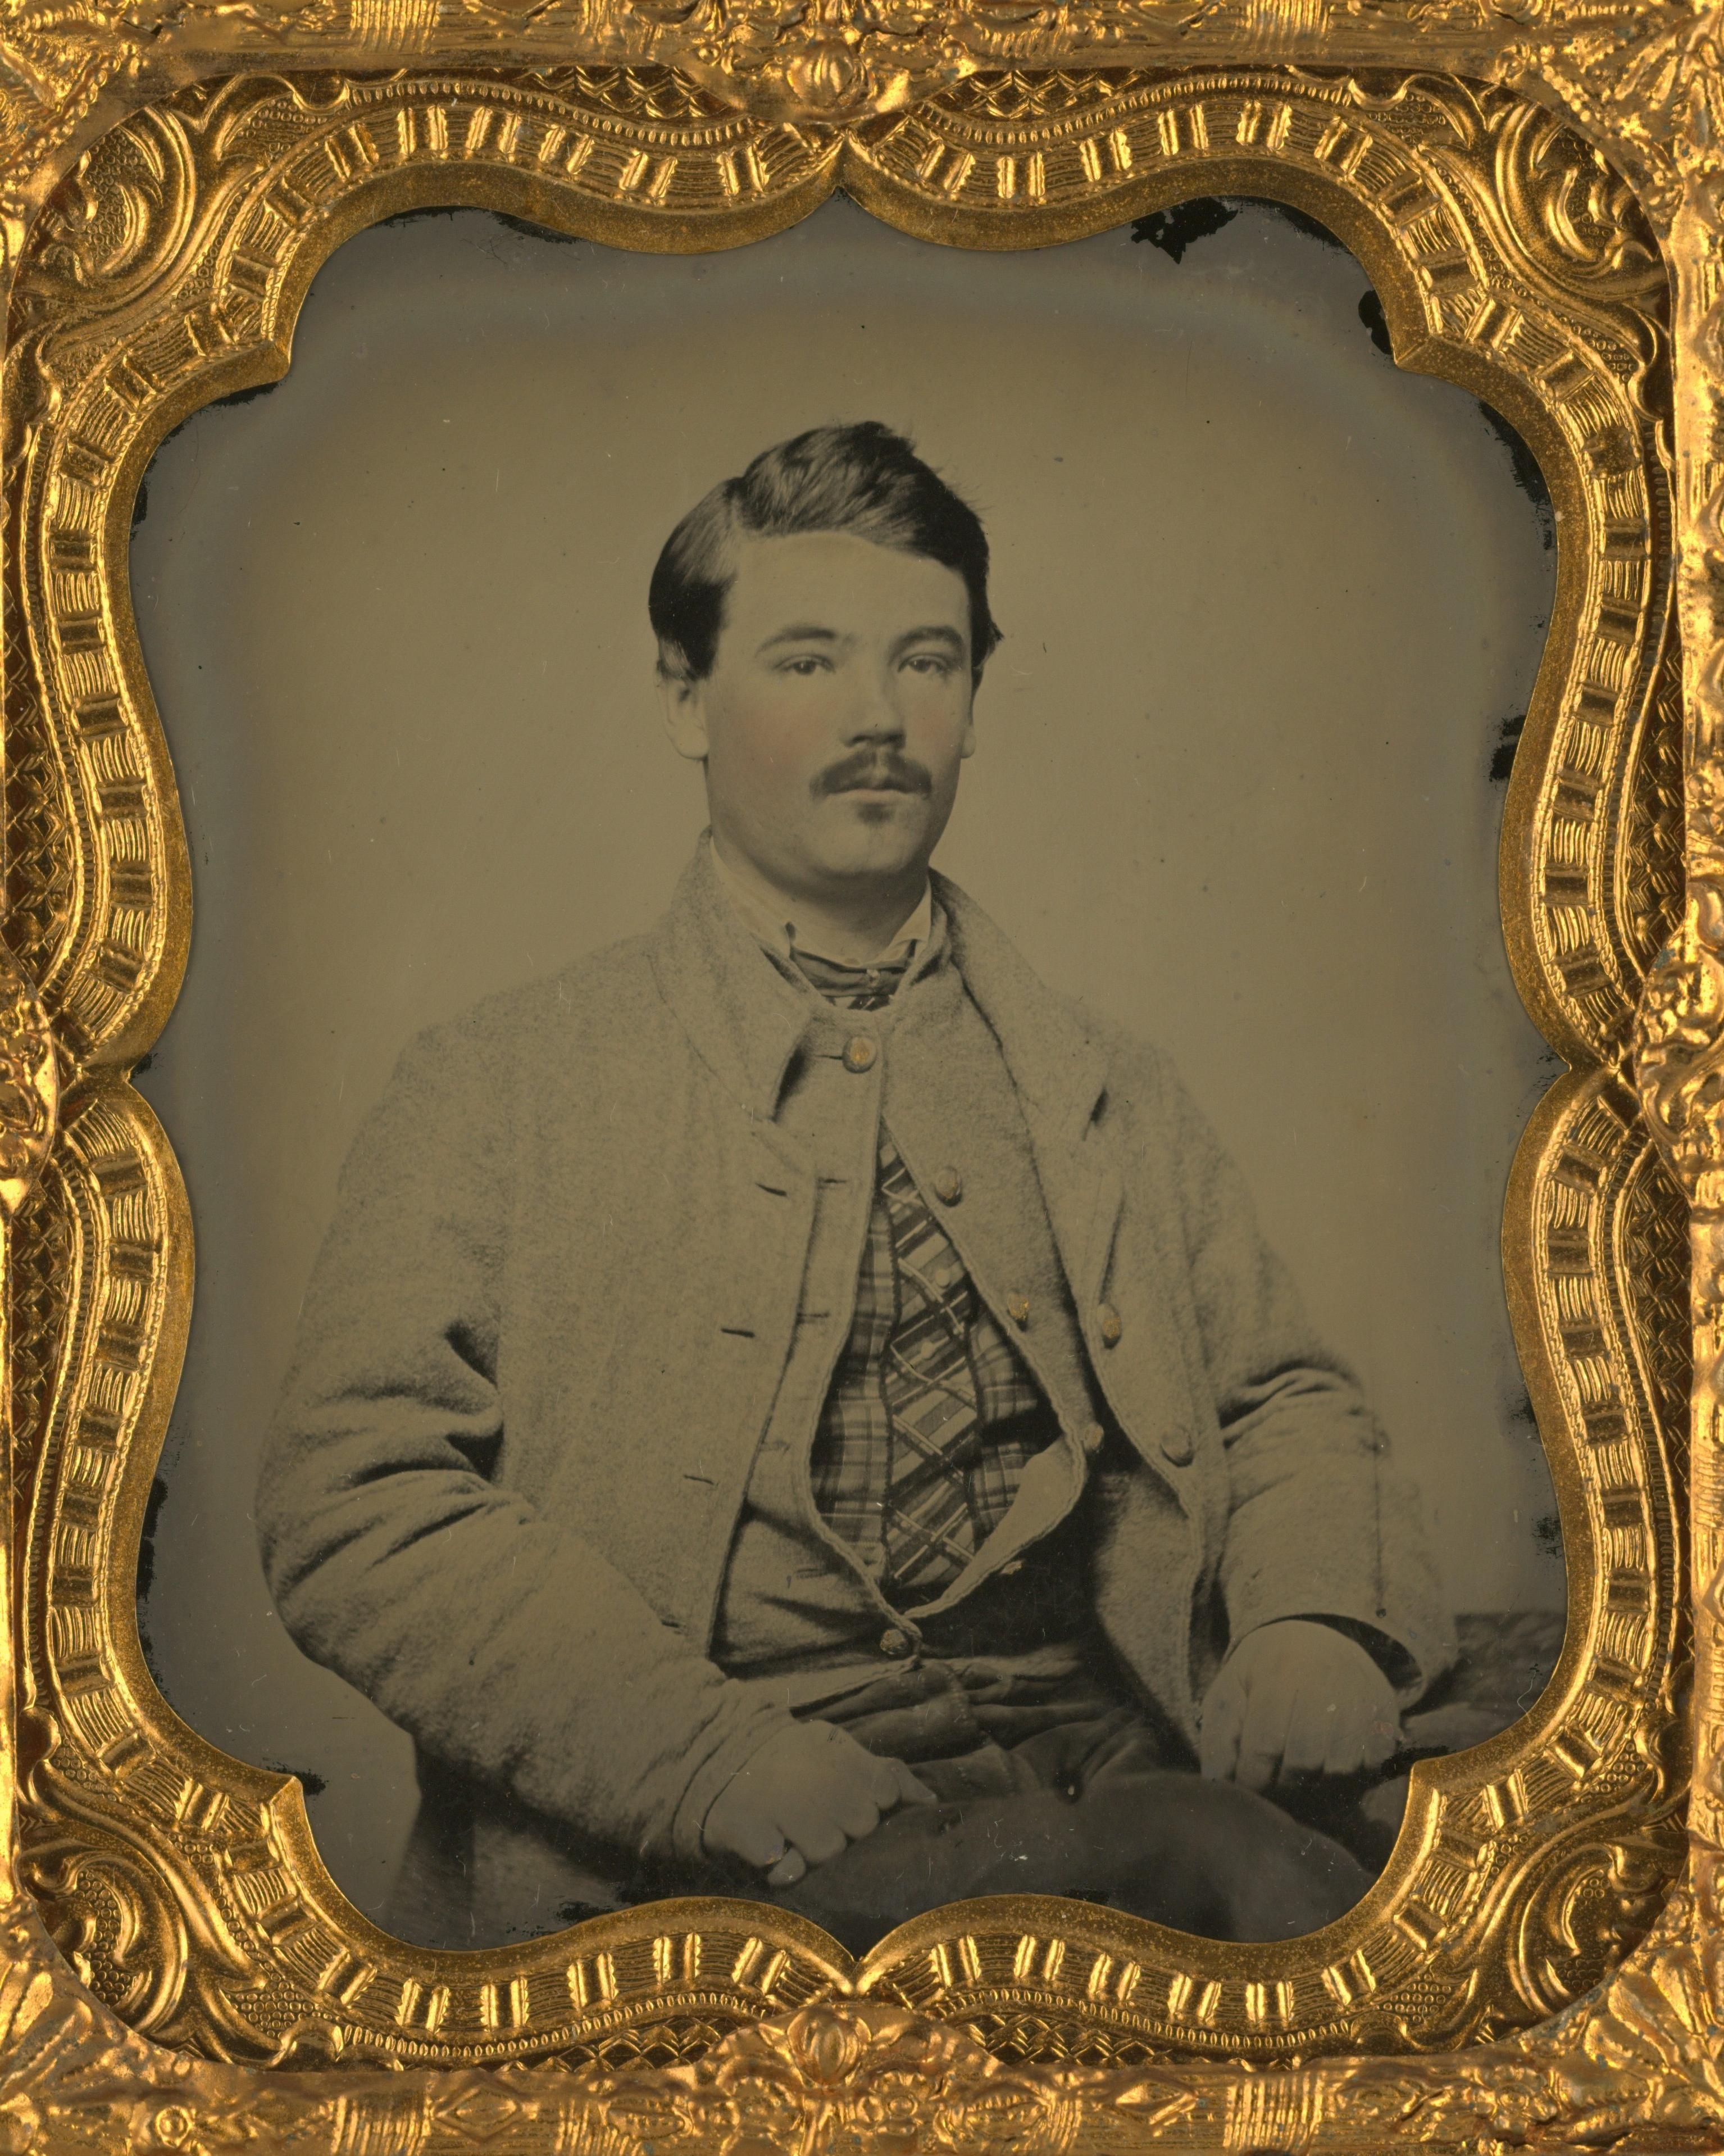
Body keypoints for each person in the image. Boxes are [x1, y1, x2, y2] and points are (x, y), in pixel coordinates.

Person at [257, 421, 1454, 1954]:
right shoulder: (496, 1085)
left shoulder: (1106, 1086)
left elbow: (1281, 1398)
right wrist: (705, 1754)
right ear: (685, 696)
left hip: (1121, 1795)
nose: (882, 718)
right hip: (698, 1863)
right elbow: (355, 1504)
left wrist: (1311, 1616)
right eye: (810, 662)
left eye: (930, 663)